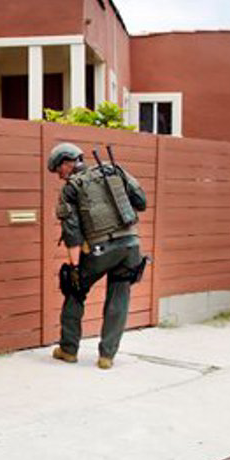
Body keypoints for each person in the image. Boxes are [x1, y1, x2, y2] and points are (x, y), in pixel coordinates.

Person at [47, 142, 148, 369]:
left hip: (100, 249)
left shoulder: (72, 188)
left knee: (74, 290)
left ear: (67, 162)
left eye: (57, 169)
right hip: (131, 245)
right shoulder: (114, 170)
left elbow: (72, 232)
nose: (58, 176)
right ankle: (107, 357)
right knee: (119, 296)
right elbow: (141, 202)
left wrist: (74, 268)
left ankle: (68, 349)